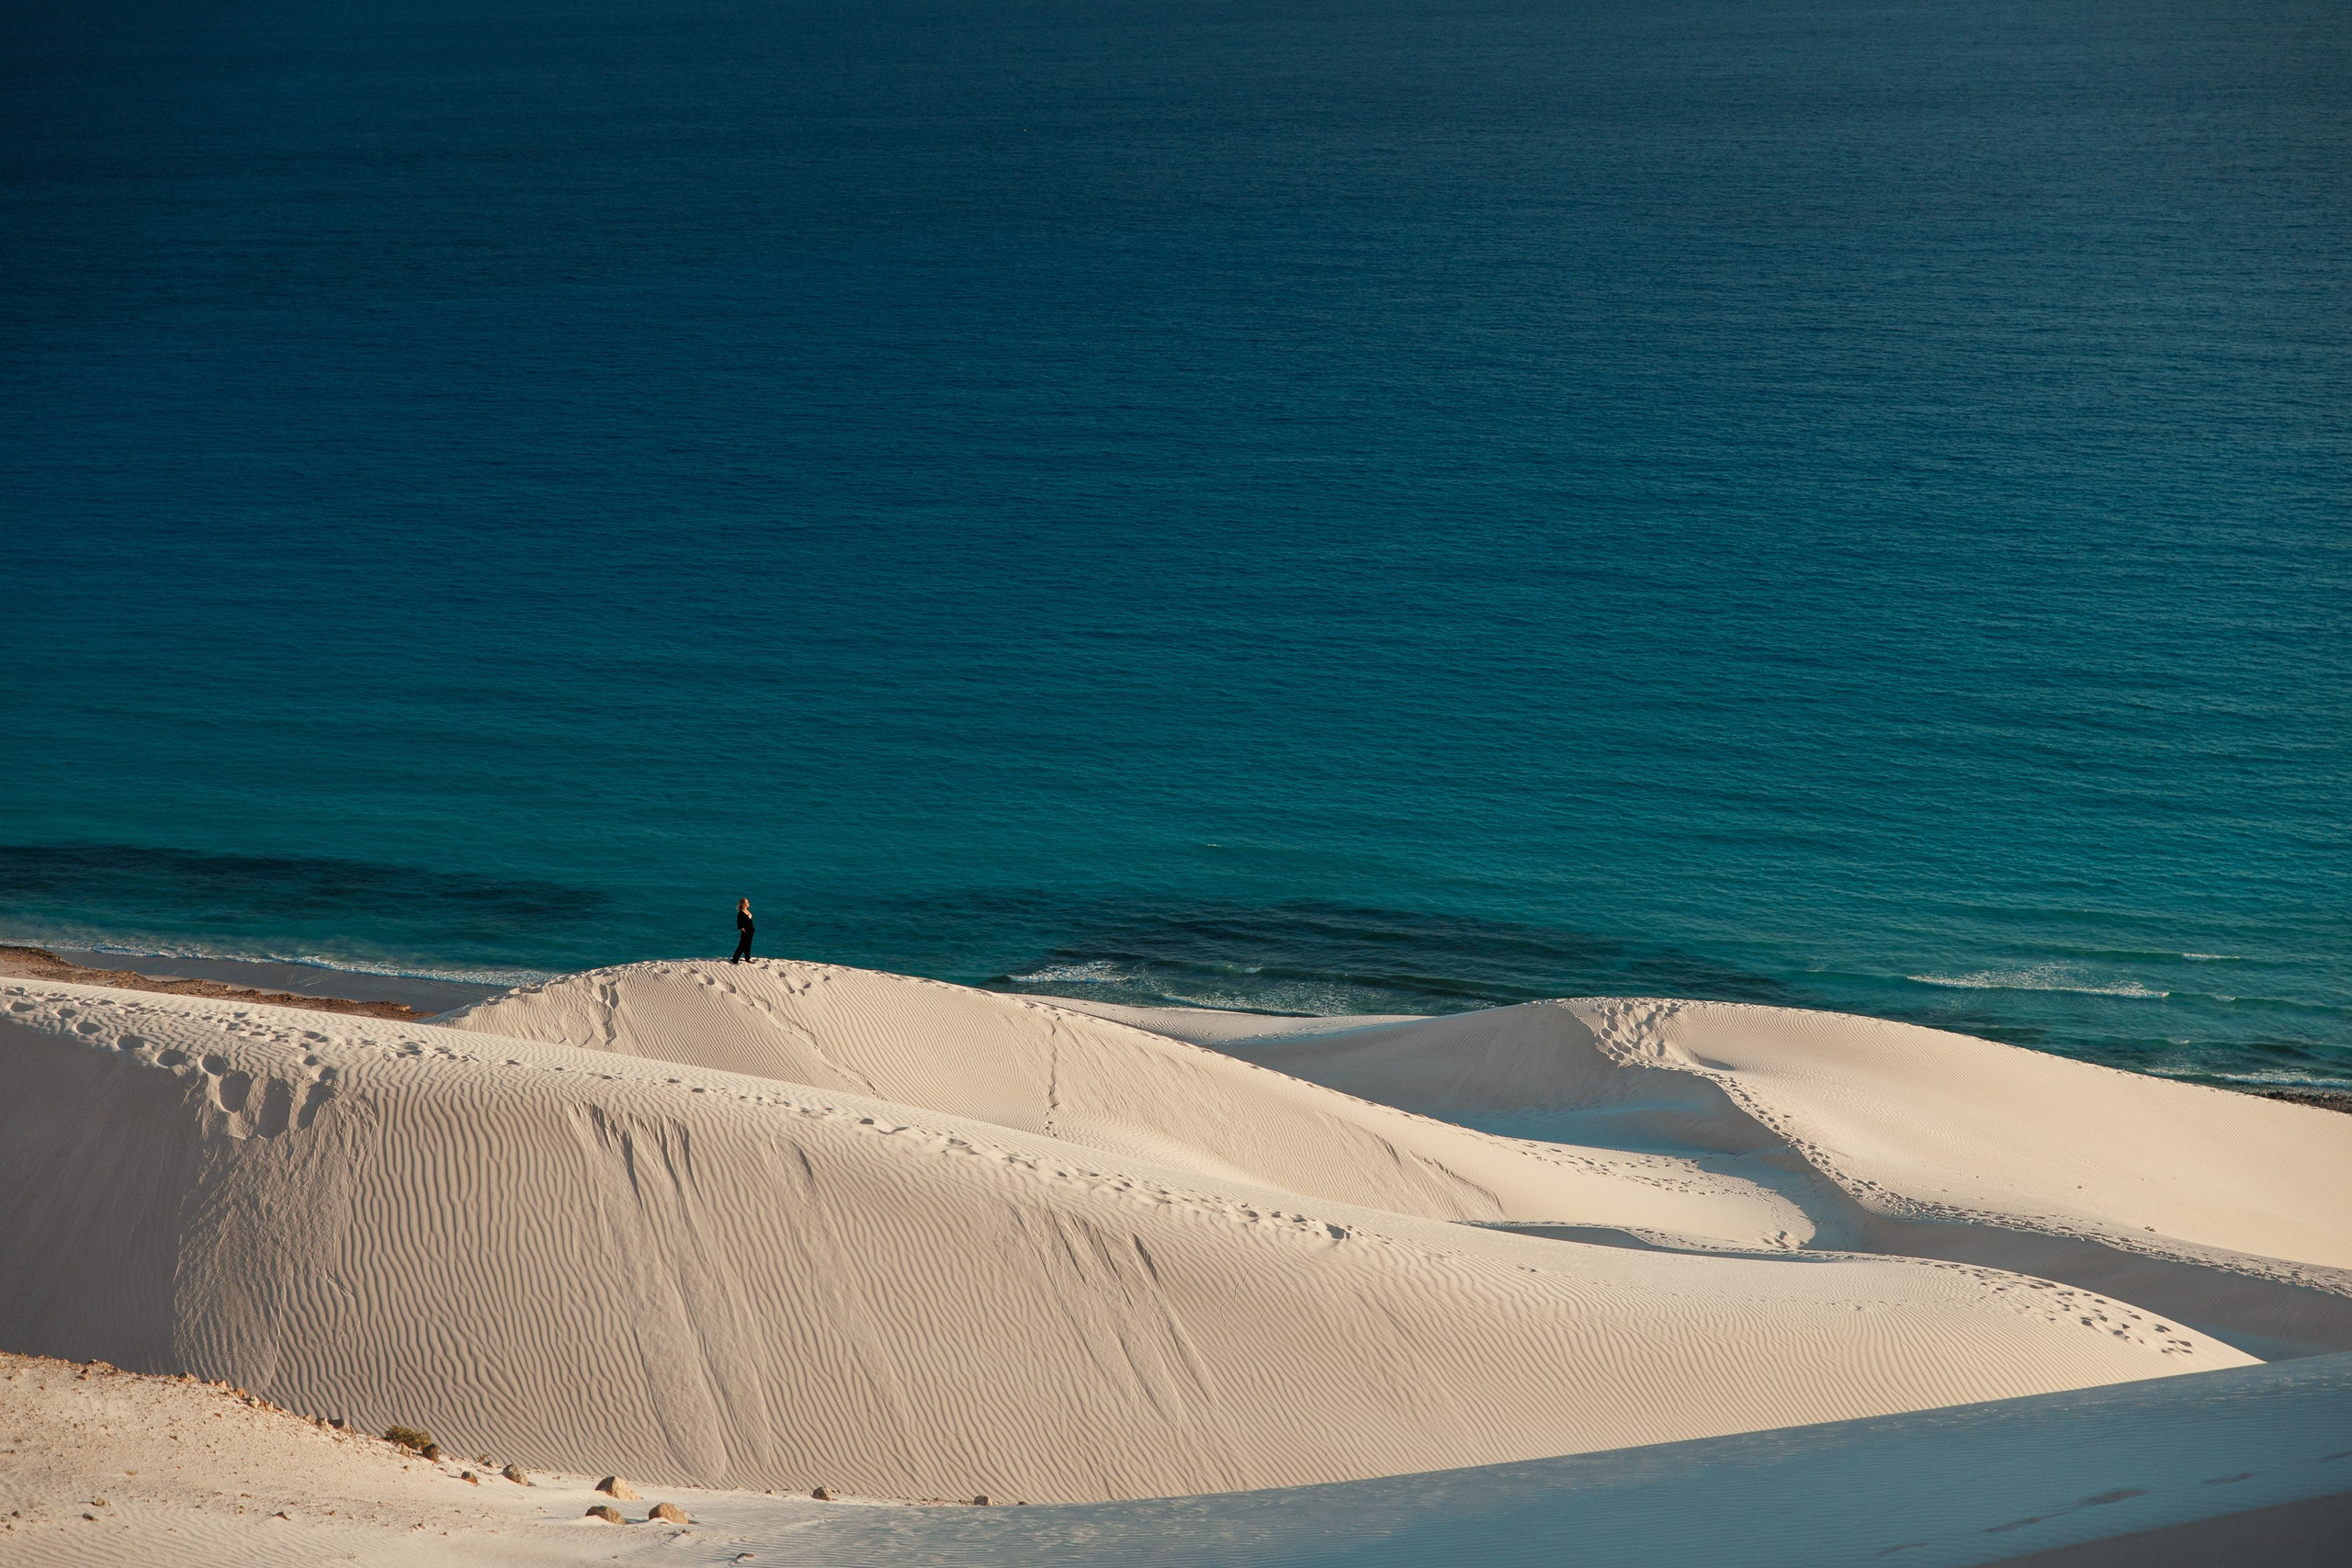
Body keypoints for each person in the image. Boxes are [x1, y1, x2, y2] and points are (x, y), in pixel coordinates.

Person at [731, 897, 754, 964]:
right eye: (747, 902)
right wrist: (742, 928)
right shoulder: (741, 912)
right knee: (742, 945)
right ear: (743, 904)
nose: (748, 903)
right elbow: (739, 923)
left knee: (748, 945)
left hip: (751, 930)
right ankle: (735, 959)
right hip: (746, 931)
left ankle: (747, 958)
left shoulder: (747, 910)